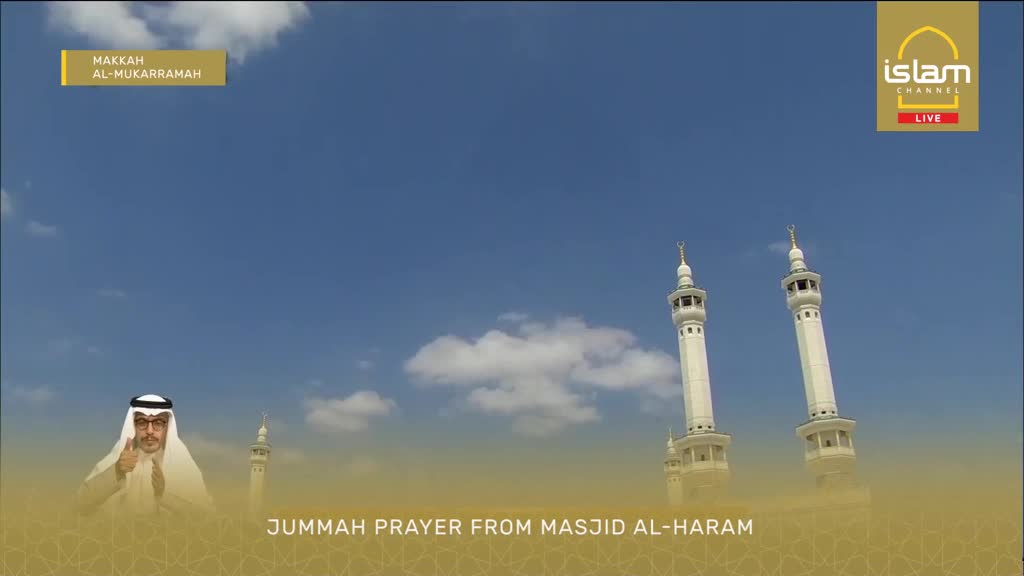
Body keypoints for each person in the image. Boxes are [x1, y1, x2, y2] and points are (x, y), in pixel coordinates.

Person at [76, 394, 215, 518]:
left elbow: (207, 519)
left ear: (168, 427)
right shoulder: (119, 458)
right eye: (142, 422)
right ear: (133, 425)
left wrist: (163, 494)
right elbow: (79, 505)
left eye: (158, 423)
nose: (149, 431)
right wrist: (117, 471)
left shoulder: (182, 463)